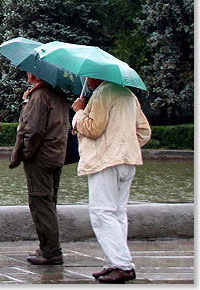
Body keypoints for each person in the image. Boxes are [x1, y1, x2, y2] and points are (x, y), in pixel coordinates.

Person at [72, 77, 151, 284]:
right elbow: (144, 131)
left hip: (105, 162)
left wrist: (79, 112)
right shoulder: (128, 94)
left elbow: (93, 128)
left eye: (87, 76)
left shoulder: (102, 93)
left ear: (96, 76)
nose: (86, 80)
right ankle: (113, 262)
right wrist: (126, 145)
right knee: (117, 213)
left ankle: (123, 265)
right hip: (127, 160)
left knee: (102, 213)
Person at [8, 72, 70, 265]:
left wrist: (26, 152)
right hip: (56, 154)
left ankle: (51, 251)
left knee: (41, 203)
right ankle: (48, 247)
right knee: (49, 201)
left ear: (35, 74)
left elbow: (33, 129)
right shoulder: (57, 93)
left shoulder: (40, 95)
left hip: (41, 157)